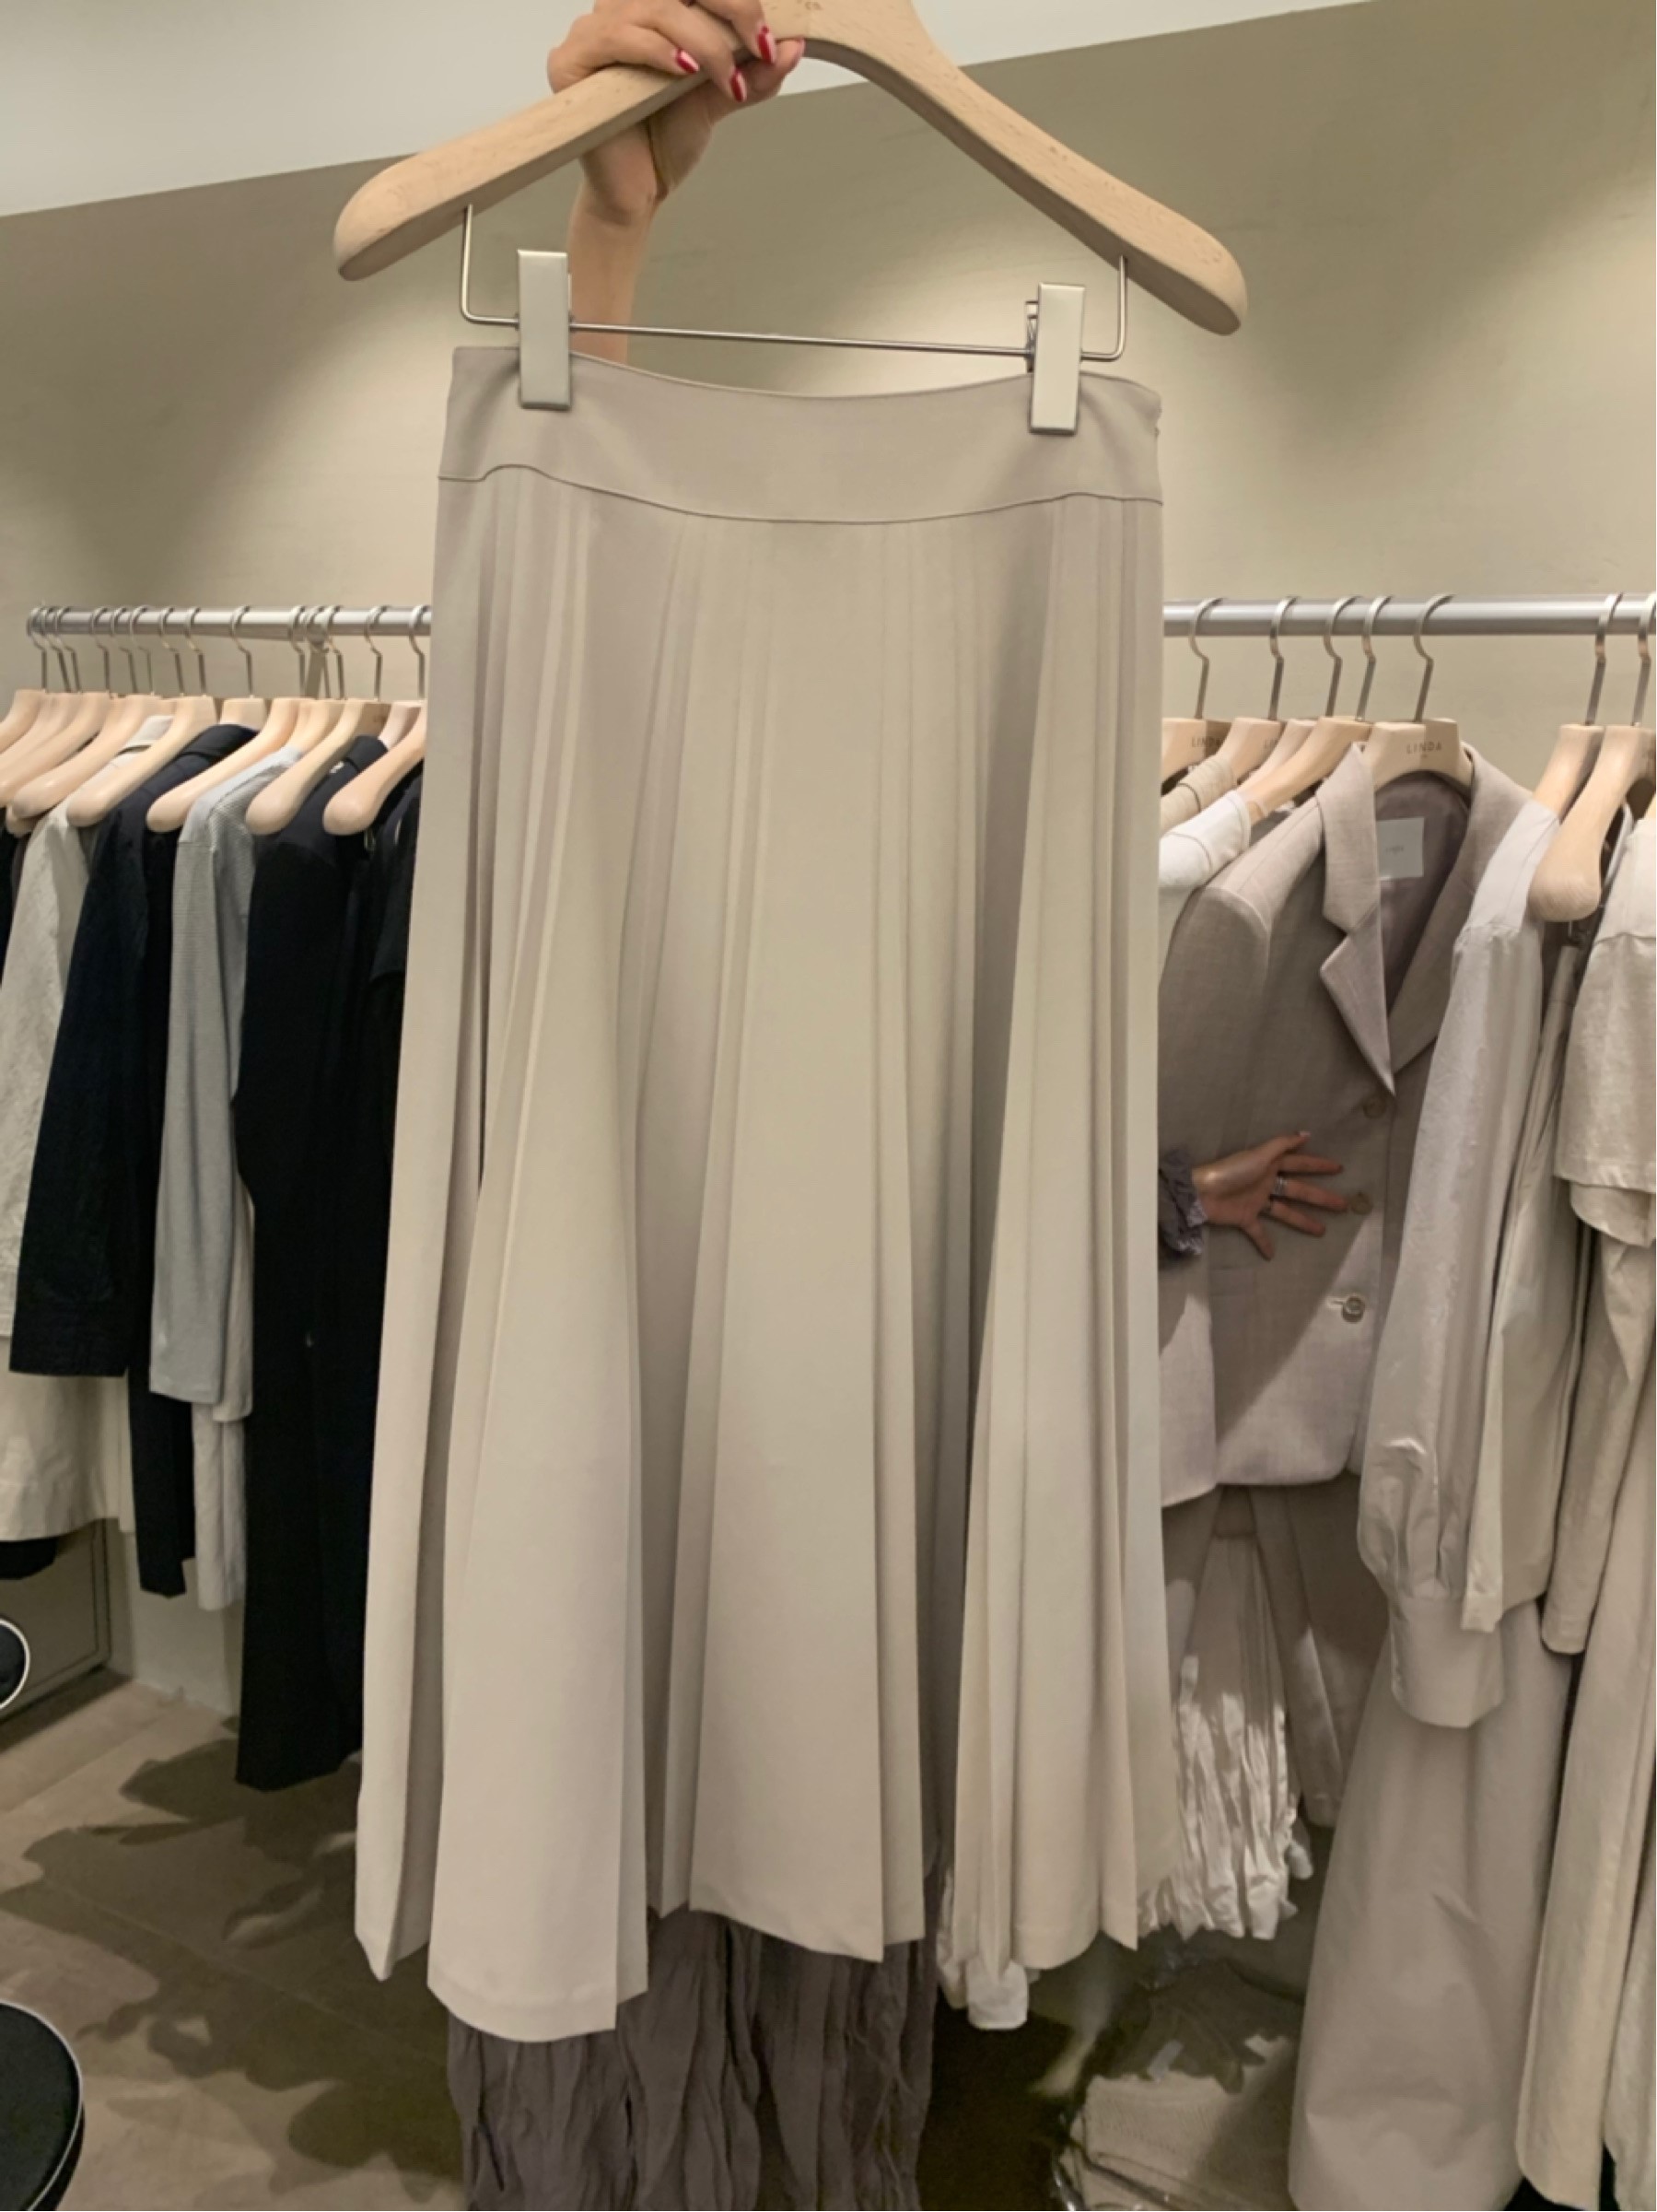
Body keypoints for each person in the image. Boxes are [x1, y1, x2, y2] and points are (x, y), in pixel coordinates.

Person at [548, 0, 1349, 1264]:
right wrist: (611, 230)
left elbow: (990, 1118)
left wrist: (1172, 1200)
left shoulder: (1033, 780)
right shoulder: (654, 791)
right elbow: (589, 636)